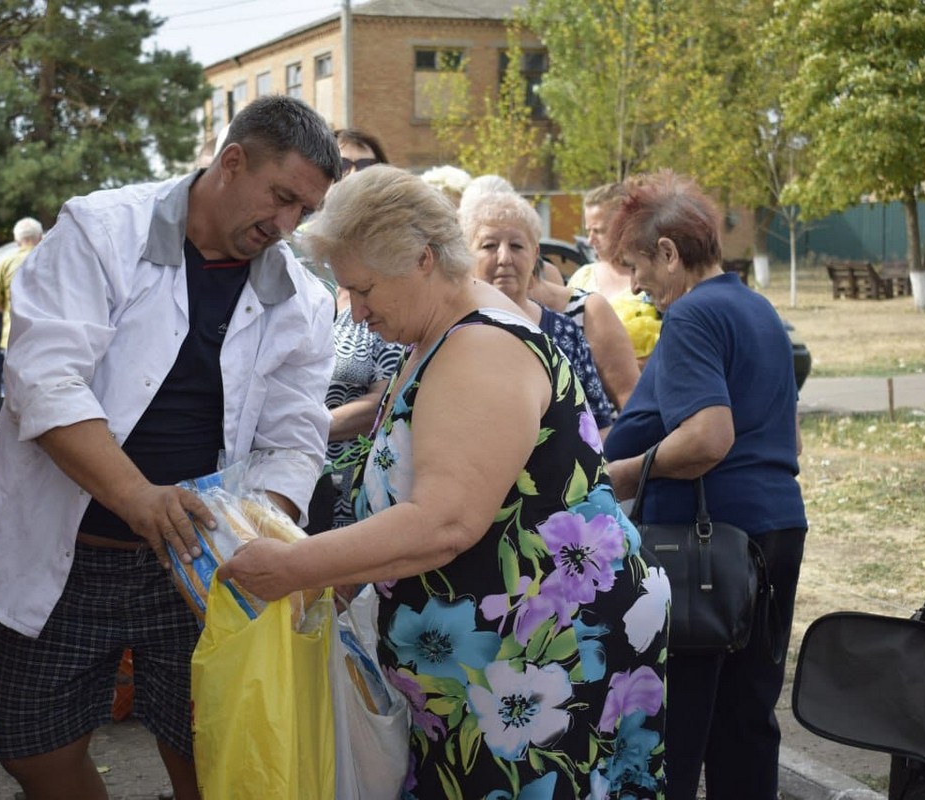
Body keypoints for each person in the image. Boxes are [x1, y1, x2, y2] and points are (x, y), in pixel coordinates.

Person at [220, 165, 667, 799]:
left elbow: (445, 520)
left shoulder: (479, 347)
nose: (358, 309)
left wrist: (299, 567)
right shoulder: (443, 329)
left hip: (538, 665)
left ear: (424, 259)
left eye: (365, 288)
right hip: (498, 664)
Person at [0, 95, 341, 800]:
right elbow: (43, 379)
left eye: (303, 212)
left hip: (199, 565)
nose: (286, 226)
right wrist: (136, 499)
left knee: (207, 744)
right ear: (231, 162)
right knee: (34, 749)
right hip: (73, 552)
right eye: (281, 197)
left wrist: (263, 528)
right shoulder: (101, 231)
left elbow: (296, 430)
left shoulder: (303, 299)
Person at [601, 170, 807, 800]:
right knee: (745, 720)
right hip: (770, 529)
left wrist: (617, 476)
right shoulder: (756, 307)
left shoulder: (692, 314)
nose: (634, 285)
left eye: (636, 265)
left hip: (707, 544)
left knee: (682, 723)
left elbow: (708, 437)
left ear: (668, 251)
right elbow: (788, 439)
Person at [307, 128, 405, 532]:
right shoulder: (303, 275)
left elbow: (384, 401)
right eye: (343, 165)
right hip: (293, 483)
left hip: (356, 487)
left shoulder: (394, 281)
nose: (355, 175)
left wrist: (299, 431)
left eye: (366, 165)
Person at [463, 189, 640, 411]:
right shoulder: (449, 331)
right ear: (467, 256)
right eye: (489, 246)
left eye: (517, 246)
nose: (504, 258)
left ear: (535, 254)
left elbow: (601, 422)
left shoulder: (566, 331)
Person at [568, 182, 661, 364]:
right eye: (588, 231)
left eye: (599, 231)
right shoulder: (583, 277)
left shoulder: (654, 278)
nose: (590, 240)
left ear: (626, 226)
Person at [0, 216, 43, 353]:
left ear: (17, 240)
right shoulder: (53, 260)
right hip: (48, 338)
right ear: (40, 237)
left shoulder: (5, 263)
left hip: (15, 338)